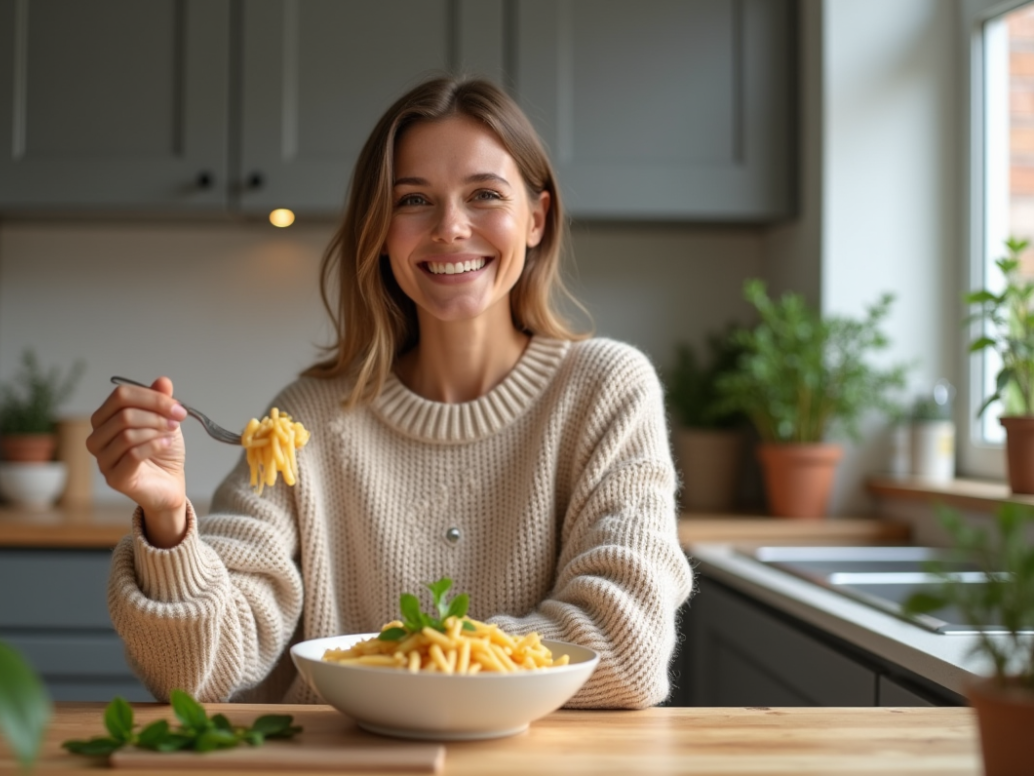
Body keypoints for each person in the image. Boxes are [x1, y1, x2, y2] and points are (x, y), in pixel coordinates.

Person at [88, 75, 693, 709]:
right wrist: (166, 524)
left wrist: (383, 664)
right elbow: (197, 673)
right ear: (381, 229)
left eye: (485, 194)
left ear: (537, 219)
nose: (451, 228)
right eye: (413, 201)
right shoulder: (306, 418)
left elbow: (626, 648)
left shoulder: (605, 391)